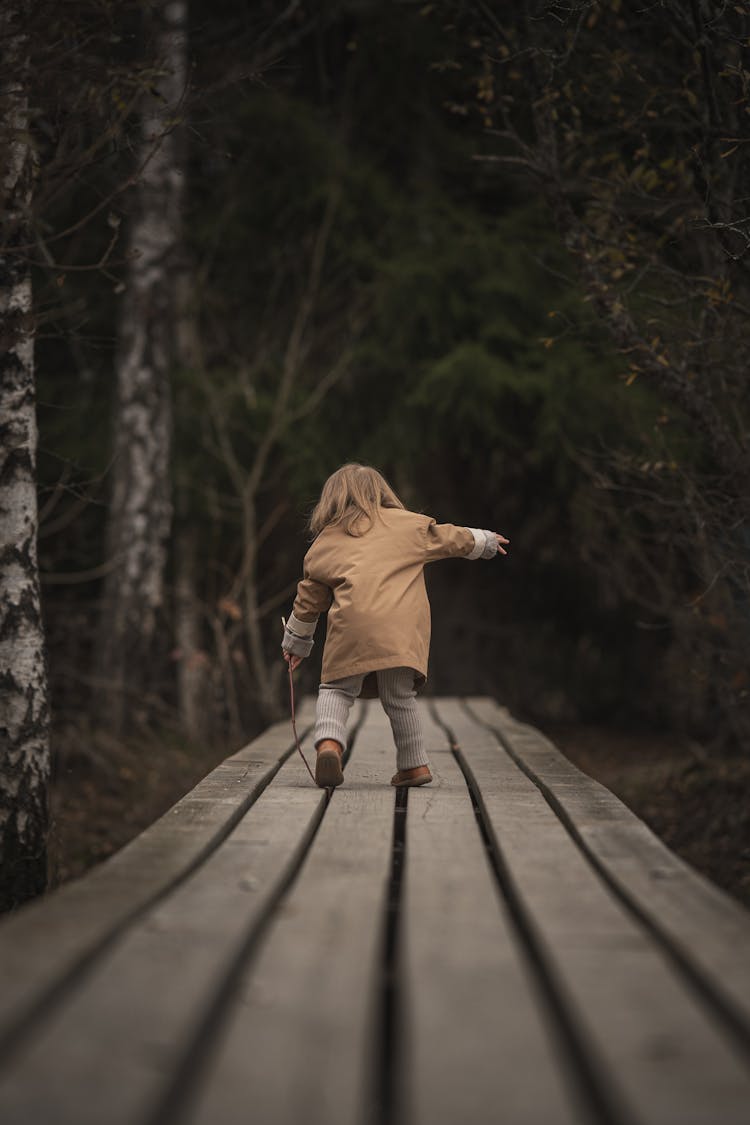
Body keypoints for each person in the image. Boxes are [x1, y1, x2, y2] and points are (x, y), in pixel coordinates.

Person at [281, 463, 509, 789]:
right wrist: (485, 541)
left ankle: (330, 745)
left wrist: (295, 645)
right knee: (400, 697)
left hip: (351, 630)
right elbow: (449, 537)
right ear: (382, 492)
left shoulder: (324, 543)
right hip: (400, 634)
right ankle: (414, 766)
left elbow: (308, 602)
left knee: (336, 690)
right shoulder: (408, 527)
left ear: (330, 500)